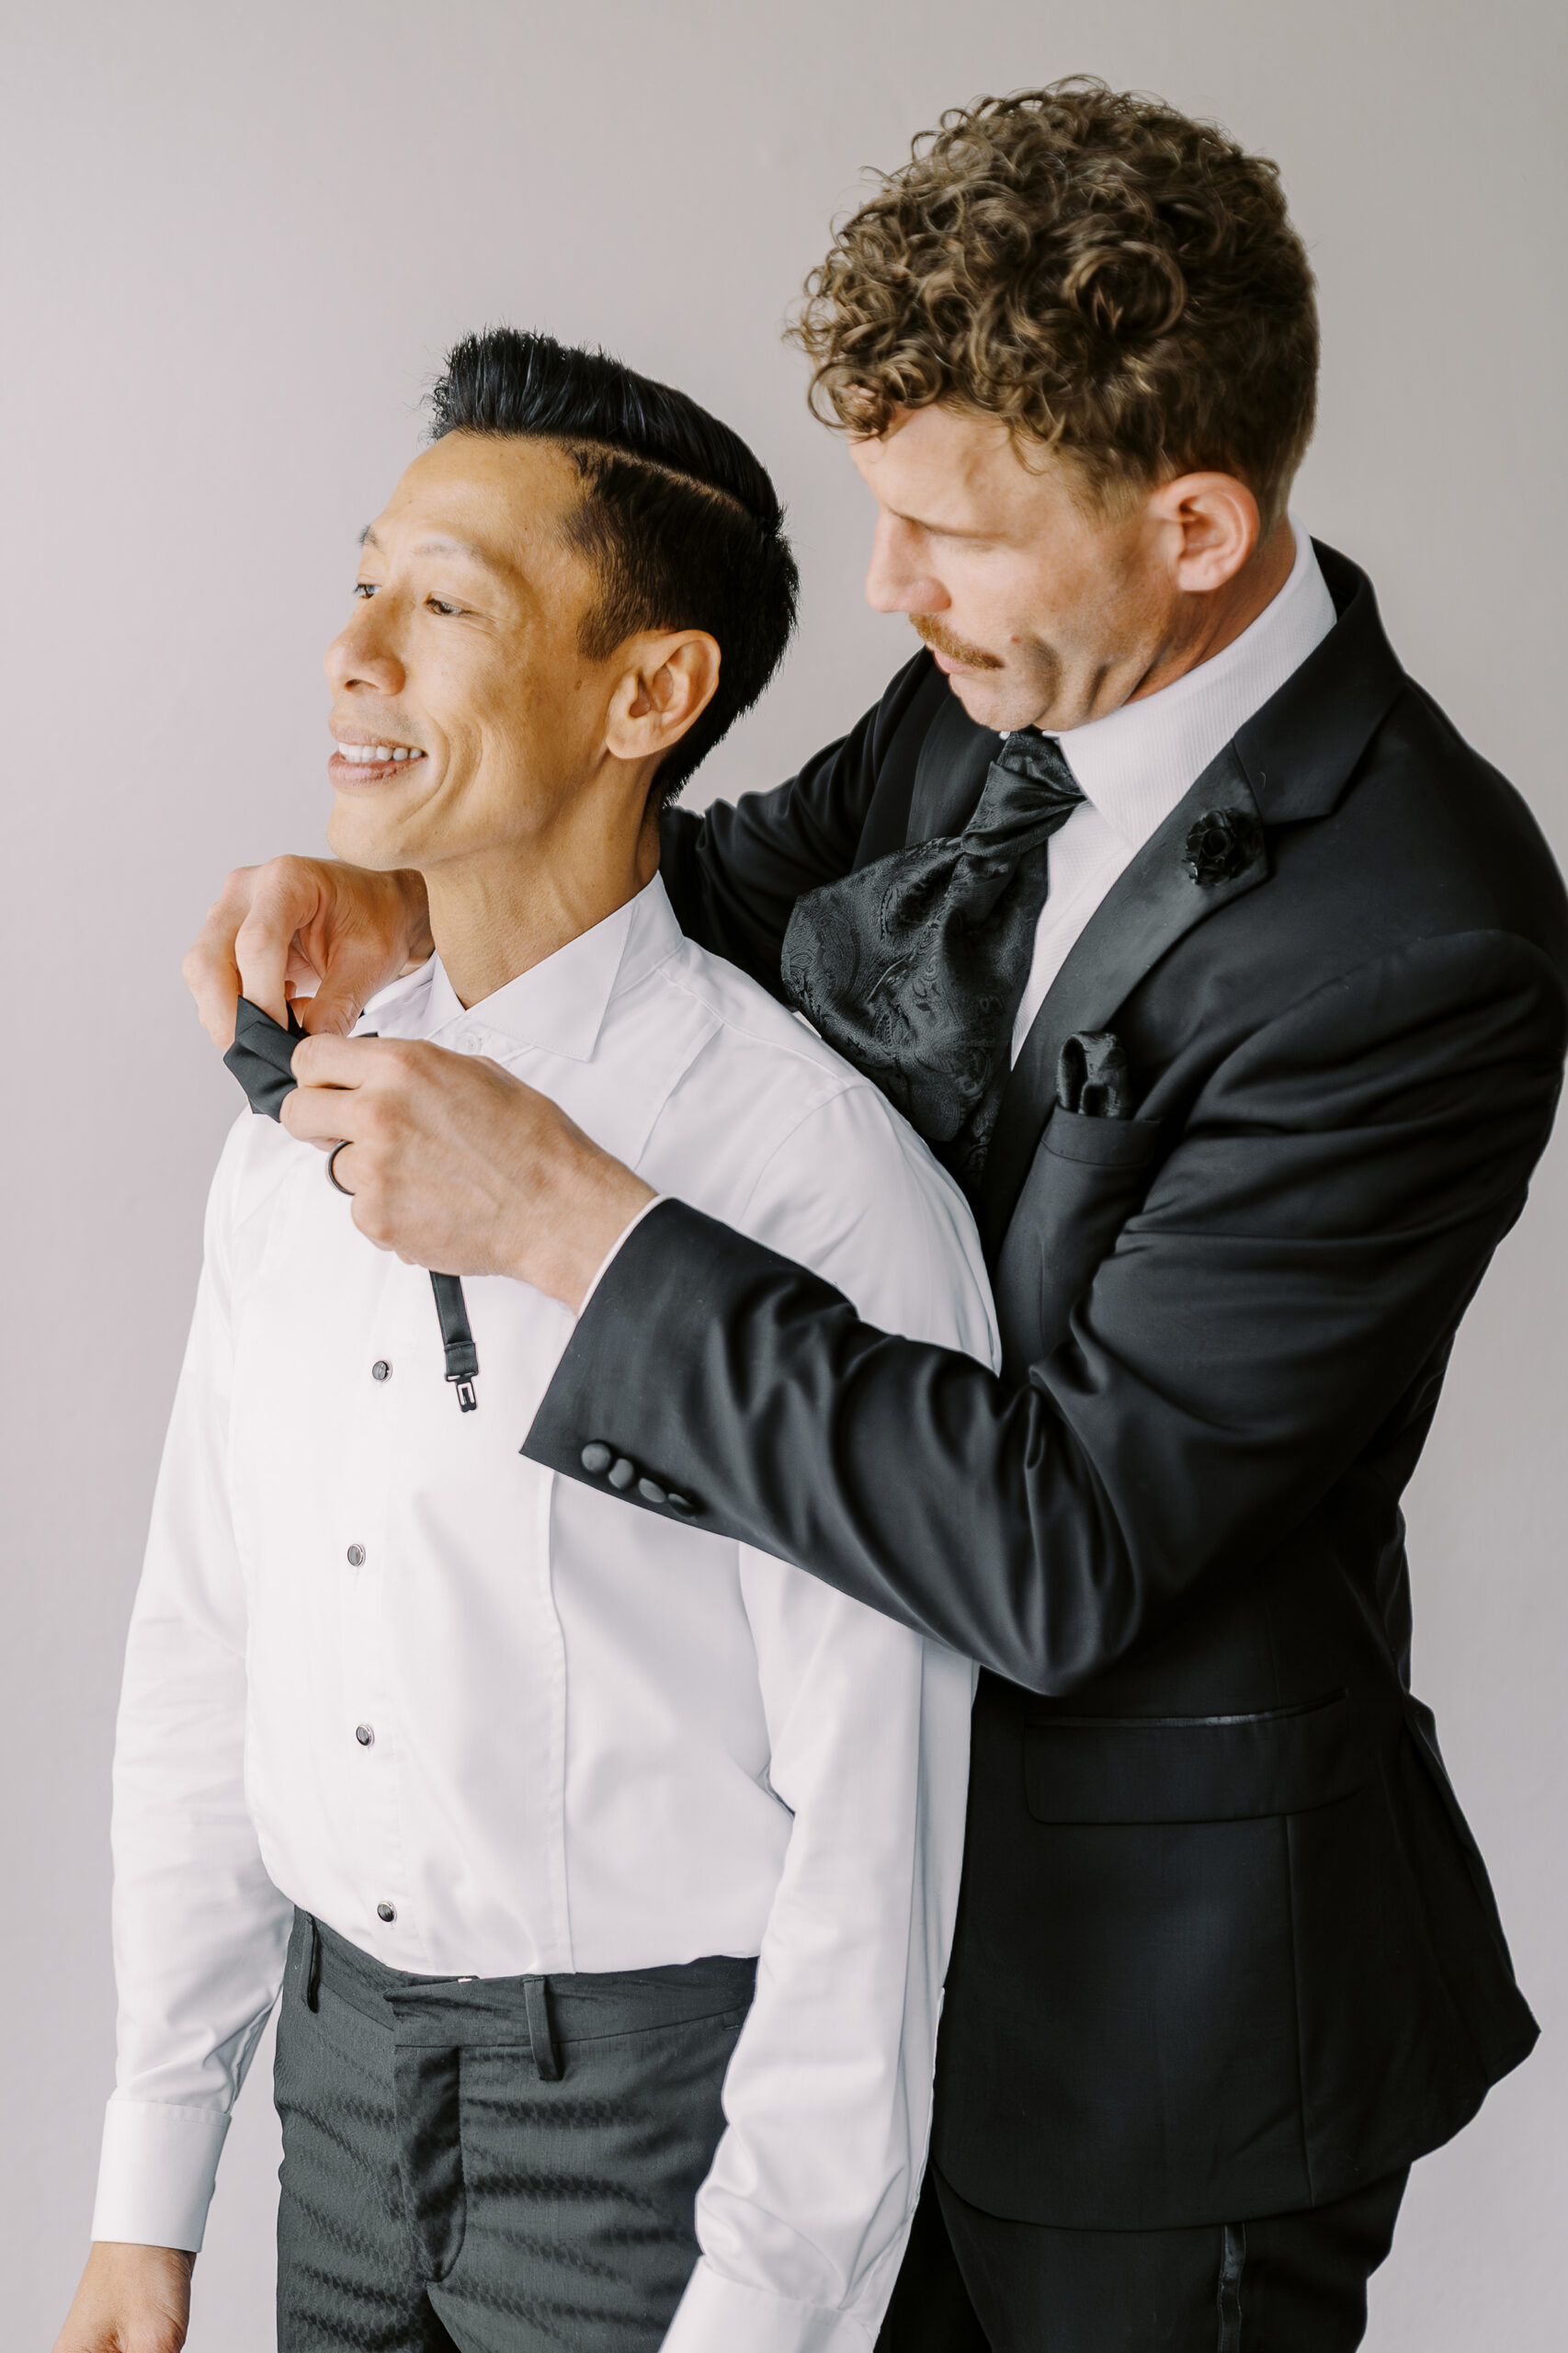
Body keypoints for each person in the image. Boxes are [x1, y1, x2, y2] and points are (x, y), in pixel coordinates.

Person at [183, 82, 1567, 2353]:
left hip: (1141, 2041)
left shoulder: (1419, 939)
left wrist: (579, 1233)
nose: (893, 586)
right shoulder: (996, 701)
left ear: (1193, 524)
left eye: (950, 529)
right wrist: (385, 891)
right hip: (815, 1989)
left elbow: (1067, 1548)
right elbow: (701, 901)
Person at [57, 329, 1000, 2353]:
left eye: (448, 602)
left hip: (653, 2139)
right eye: (365, 577)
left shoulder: (814, 1179)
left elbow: (875, 1847)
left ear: (646, 691)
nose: (355, 650)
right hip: (332, 2106)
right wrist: (150, 2182)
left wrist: (764, 2316)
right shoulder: (296, 1112)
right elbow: (204, 1644)